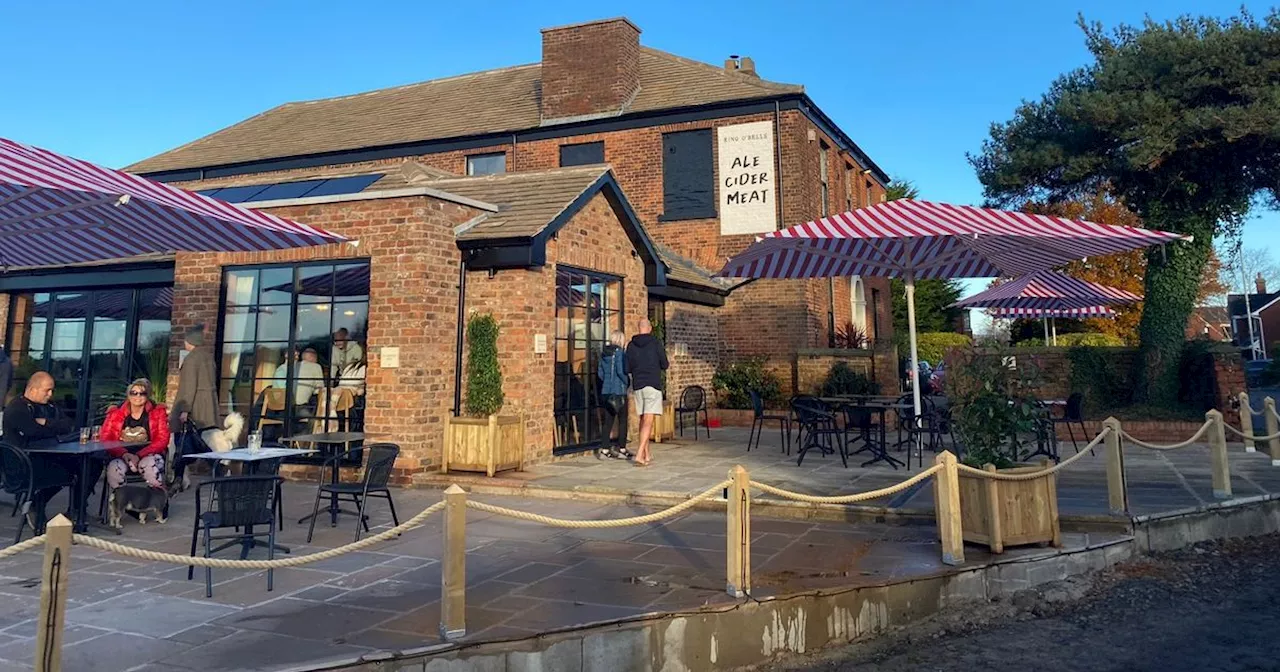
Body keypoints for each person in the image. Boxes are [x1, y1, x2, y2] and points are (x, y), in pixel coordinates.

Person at [1, 372, 97, 525]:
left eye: (52, 390)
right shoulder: (17, 409)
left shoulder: (50, 406)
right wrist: (52, 427)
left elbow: (67, 425)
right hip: (25, 465)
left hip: (49, 455)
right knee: (71, 472)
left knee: (92, 463)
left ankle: (76, 509)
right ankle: (38, 503)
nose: (50, 394)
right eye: (47, 390)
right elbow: (33, 432)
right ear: (33, 389)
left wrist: (45, 422)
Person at [101, 379, 170, 491]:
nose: (137, 396)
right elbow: (106, 438)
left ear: (148, 395)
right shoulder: (115, 413)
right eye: (134, 393)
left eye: (142, 393)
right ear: (129, 395)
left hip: (149, 454)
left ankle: (154, 504)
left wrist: (139, 455)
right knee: (114, 470)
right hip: (122, 456)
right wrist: (124, 454)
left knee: (151, 467)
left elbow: (162, 439)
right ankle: (119, 504)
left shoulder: (158, 412)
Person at [626, 319, 668, 467]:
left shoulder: (631, 345)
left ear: (639, 328)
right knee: (648, 421)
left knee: (643, 419)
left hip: (638, 385)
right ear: (649, 328)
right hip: (652, 384)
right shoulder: (655, 343)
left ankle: (647, 453)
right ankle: (639, 454)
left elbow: (627, 368)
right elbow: (665, 364)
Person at [170, 324, 220, 433]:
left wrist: (185, 410)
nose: (184, 343)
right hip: (209, 404)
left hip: (197, 406)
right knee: (208, 437)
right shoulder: (208, 357)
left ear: (190, 341)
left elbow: (189, 386)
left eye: (186, 340)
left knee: (192, 439)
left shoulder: (191, 359)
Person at [597, 330, 631, 460]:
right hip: (618, 391)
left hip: (606, 391)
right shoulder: (619, 353)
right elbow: (620, 371)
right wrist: (627, 381)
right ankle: (621, 449)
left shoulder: (604, 353)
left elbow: (600, 373)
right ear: (621, 340)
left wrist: (606, 382)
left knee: (608, 421)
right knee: (623, 421)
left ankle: (604, 449)